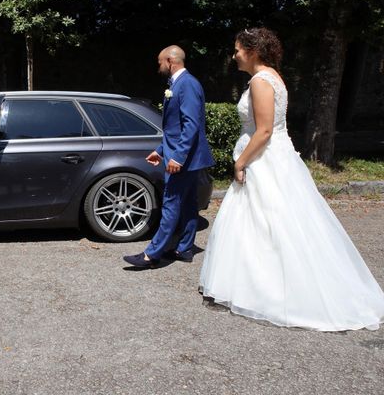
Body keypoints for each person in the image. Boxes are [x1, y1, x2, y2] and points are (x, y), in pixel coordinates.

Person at [199, 27, 384, 331]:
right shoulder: (273, 77)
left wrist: (241, 162)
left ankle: (271, 287)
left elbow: (265, 130)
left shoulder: (261, 81)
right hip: (277, 157)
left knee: (268, 220)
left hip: (264, 159)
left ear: (253, 50)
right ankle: (256, 278)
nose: (234, 56)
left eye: (237, 50)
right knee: (269, 220)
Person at [124, 45, 214, 268]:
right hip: (184, 156)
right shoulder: (179, 84)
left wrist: (178, 157)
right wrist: (161, 150)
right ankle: (184, 248)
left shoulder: (187, 85)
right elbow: (175, 127)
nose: (158, 66)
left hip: (184, 159)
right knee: (187, 205)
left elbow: (191, 125)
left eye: (159, 62)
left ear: (170, 61)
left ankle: (152, 254)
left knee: (171, 204)